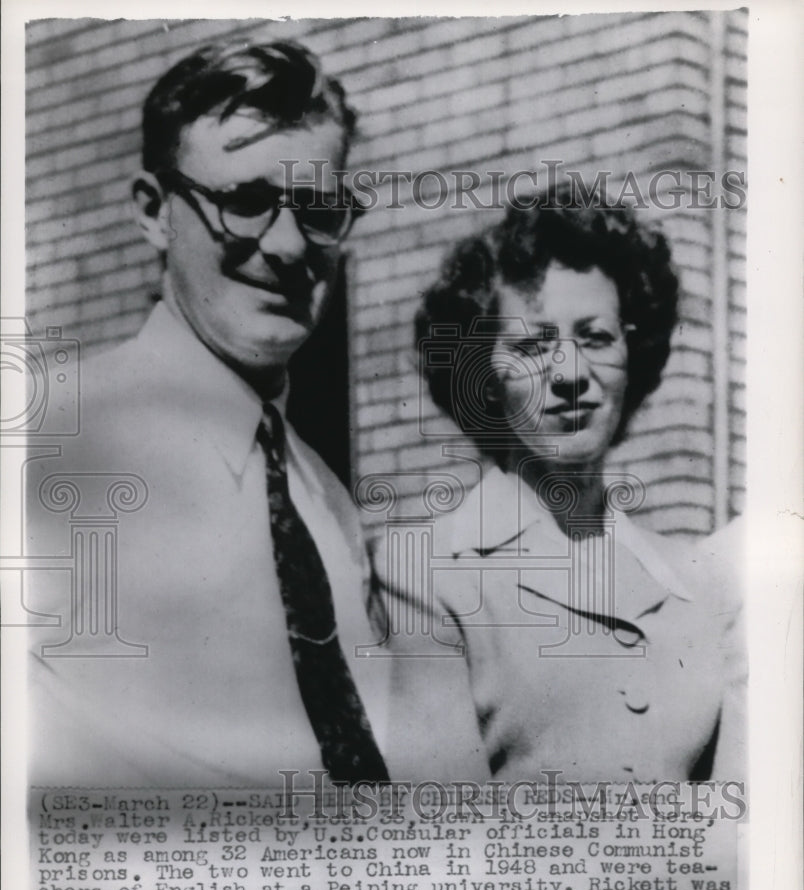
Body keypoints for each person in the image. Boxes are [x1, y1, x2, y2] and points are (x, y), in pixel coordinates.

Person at [25, 38, 392, 787]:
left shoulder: (328, 503)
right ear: (156, 212)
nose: (289, 246)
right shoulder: (50, 438)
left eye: (319, 210)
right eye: (247, 203)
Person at [375, 193, 745, 782]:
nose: (570, 375)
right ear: (485, 377)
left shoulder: (701, 583)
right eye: (530, 346)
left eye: (596, 338)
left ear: (633, 352)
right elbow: (445, 843)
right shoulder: (427, 569)